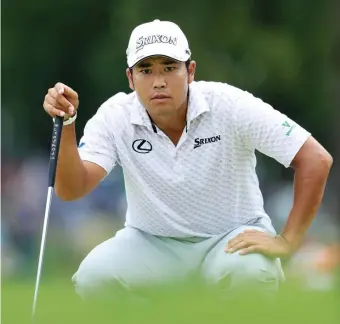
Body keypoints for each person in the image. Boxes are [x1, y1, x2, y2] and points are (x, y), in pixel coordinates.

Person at [43, 19, 333, 299]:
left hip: (232, 238)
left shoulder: (229, 104)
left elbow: (315, 159)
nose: (159, 82)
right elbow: (71, 189)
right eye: (146, 70)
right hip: (152, 243)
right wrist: (67, 123)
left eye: (170, 68)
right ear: (130, 78)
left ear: (190, 71)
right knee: (94, 278)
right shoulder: (115, 116)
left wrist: (287, 240)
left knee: (251, 275)